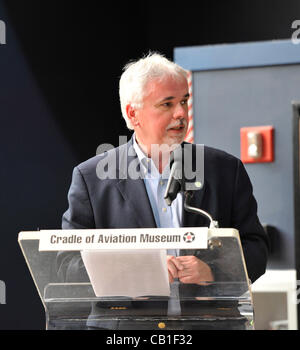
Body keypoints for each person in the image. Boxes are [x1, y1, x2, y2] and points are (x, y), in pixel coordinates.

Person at [57, 53, 269, 329]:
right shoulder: (92, 178)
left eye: (183, 101)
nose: (181, 113)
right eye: (167, 104)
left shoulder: (224, 170)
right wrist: (135, 270)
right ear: (134, 114)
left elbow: (256, 248)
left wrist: (213, 270)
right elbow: (66, 266)